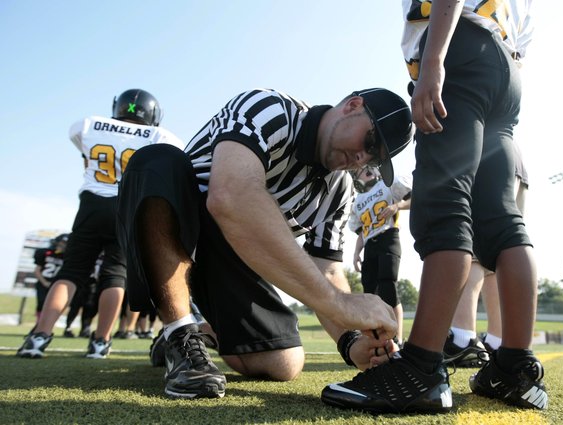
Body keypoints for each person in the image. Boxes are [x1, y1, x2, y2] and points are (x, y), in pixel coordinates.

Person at [322, 0, 547, 413]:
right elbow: (519, 46)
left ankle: (420, 369)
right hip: (505, 70)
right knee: (501, 221)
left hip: (459, 45)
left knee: (443, 208)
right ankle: (513, 366)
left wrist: (434, 61)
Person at [116, 87, 413, 399]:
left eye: (374, 157)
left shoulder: (340, 191)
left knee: (283, 363)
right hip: (178, 229)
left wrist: (353, 342)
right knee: (157, 159)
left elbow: (325, 270)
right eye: (369, 142)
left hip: (235, 255)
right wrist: (339, 304)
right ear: (353, 106)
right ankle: (179, 331)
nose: (361, 158)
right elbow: (229, 197)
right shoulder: (273, 110)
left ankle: (202, 333)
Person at [17, 89, 184, 359]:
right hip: (126, 205)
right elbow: (178, 155)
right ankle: (100, 342)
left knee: (70, 272)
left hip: (92, 204)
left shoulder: (88, 124)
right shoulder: (159, 136)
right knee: (115, 274)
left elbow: (81, 143)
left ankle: (39, 336)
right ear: (152, 113)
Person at [443, 141, 529, 367]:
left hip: (487, 153)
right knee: (496, 257)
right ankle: (496, 340)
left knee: (473, 253)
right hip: (511, 157)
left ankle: (462, 338)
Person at [349, 166, 411, 344]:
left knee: (388, 287)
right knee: (369, 294)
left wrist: (397, 206)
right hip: (370, 245)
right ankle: (377, 339)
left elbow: (414, 200)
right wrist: (355, 253)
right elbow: (362, 232)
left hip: (388, 238)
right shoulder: (358, 200)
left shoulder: (387, 184)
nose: (357, 173)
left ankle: (397, 338)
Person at [32, 234, 68, 324]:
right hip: (43, 282)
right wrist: (44, 282)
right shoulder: (45, 253)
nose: (63, 245)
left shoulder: (68, 257)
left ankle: (47, 323)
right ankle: (39, 322)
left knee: (54, 305)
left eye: (66, 243)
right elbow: (37, 270)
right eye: (62, 242)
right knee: (41, 302)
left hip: (58, 284)